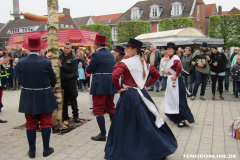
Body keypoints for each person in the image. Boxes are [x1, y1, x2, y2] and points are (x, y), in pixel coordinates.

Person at [105, 38, 177, 160]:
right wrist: (146, 85)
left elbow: (115, 76)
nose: (126, 49)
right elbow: (157, 75)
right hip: (142, 95)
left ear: (134, 50)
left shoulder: (125, 63)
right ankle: (155, 148)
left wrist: (118, 89)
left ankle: (129, 149)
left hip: (129, 96)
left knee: (127, 124)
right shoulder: (145, 63)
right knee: (147, 122)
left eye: (128, 47)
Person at [18, 35, 58, 158]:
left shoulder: (21, 61)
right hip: (44, 94)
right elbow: (53, 78)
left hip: (28, 94)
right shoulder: (46, 62)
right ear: (40, 49)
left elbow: (20, 79)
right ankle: (46, 149)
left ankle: (32, 151)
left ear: (28, 49)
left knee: (30, 123)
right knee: (46, 122)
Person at [86, 34, 117, 141]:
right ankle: (114, 131)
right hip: (110, 82)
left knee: (98, 108)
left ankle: (103, 134)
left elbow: (89, 70)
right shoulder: (110, 54)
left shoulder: (96, 55)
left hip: (99, 83)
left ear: (96, 44)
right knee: (111, 106)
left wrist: (89, 63)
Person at [161, 42, 194, 127]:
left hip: (175, 82)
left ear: (174, 50)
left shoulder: (175, 57)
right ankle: (173, 115)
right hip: (171, 81)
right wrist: (168, 73)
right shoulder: (171, 58)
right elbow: (173, 69)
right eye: (167, 49)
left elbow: (179, 67)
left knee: (178, 100)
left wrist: (175, 75)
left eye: (170, 48)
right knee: (172, 99)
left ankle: (181, 119)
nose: (168, 50)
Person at [58, 42, 80, 123]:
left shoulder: (74, 58)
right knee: (63, 100)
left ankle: (76, 116)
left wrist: (62, 66)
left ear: (71, 49)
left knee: (73, 99)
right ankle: (65, 116)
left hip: (71, 81)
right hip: (62, 81)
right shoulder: (60, 57)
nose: (65, 50)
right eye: (64, 48)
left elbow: (72, 70)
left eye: (67, 48)